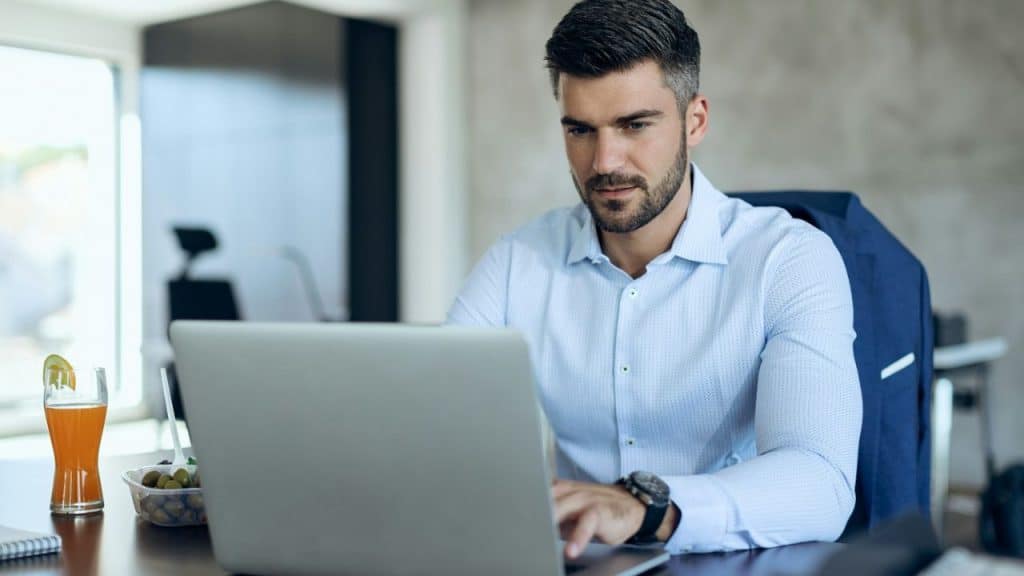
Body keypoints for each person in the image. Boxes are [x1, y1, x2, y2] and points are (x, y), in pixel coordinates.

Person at [446, 0, 861, 558]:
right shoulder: (517, 261)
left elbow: (820, 484)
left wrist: (646, 509)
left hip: (732, 561)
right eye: (580, 130)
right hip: (580, 563)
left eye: (634, 125)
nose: (603, 161)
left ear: (696, 120)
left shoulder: (788, 259)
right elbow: (436, 426)